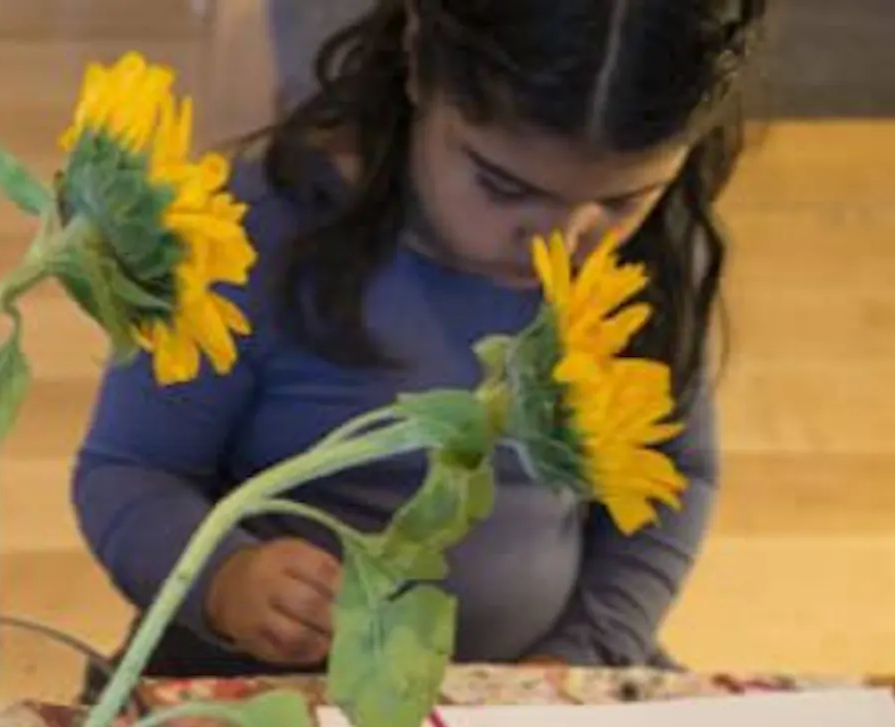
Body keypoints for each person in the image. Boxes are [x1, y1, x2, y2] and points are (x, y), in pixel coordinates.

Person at [72, 0, 761, 680]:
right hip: (246, 687)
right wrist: (226, 580)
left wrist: (587, 651)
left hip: (540, 686)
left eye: (622, 201)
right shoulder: (250, 241)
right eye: (502, 186)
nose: (563, 238)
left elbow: (677, 475)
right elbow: (127, 470)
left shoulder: (653, 258)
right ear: (418, 62)